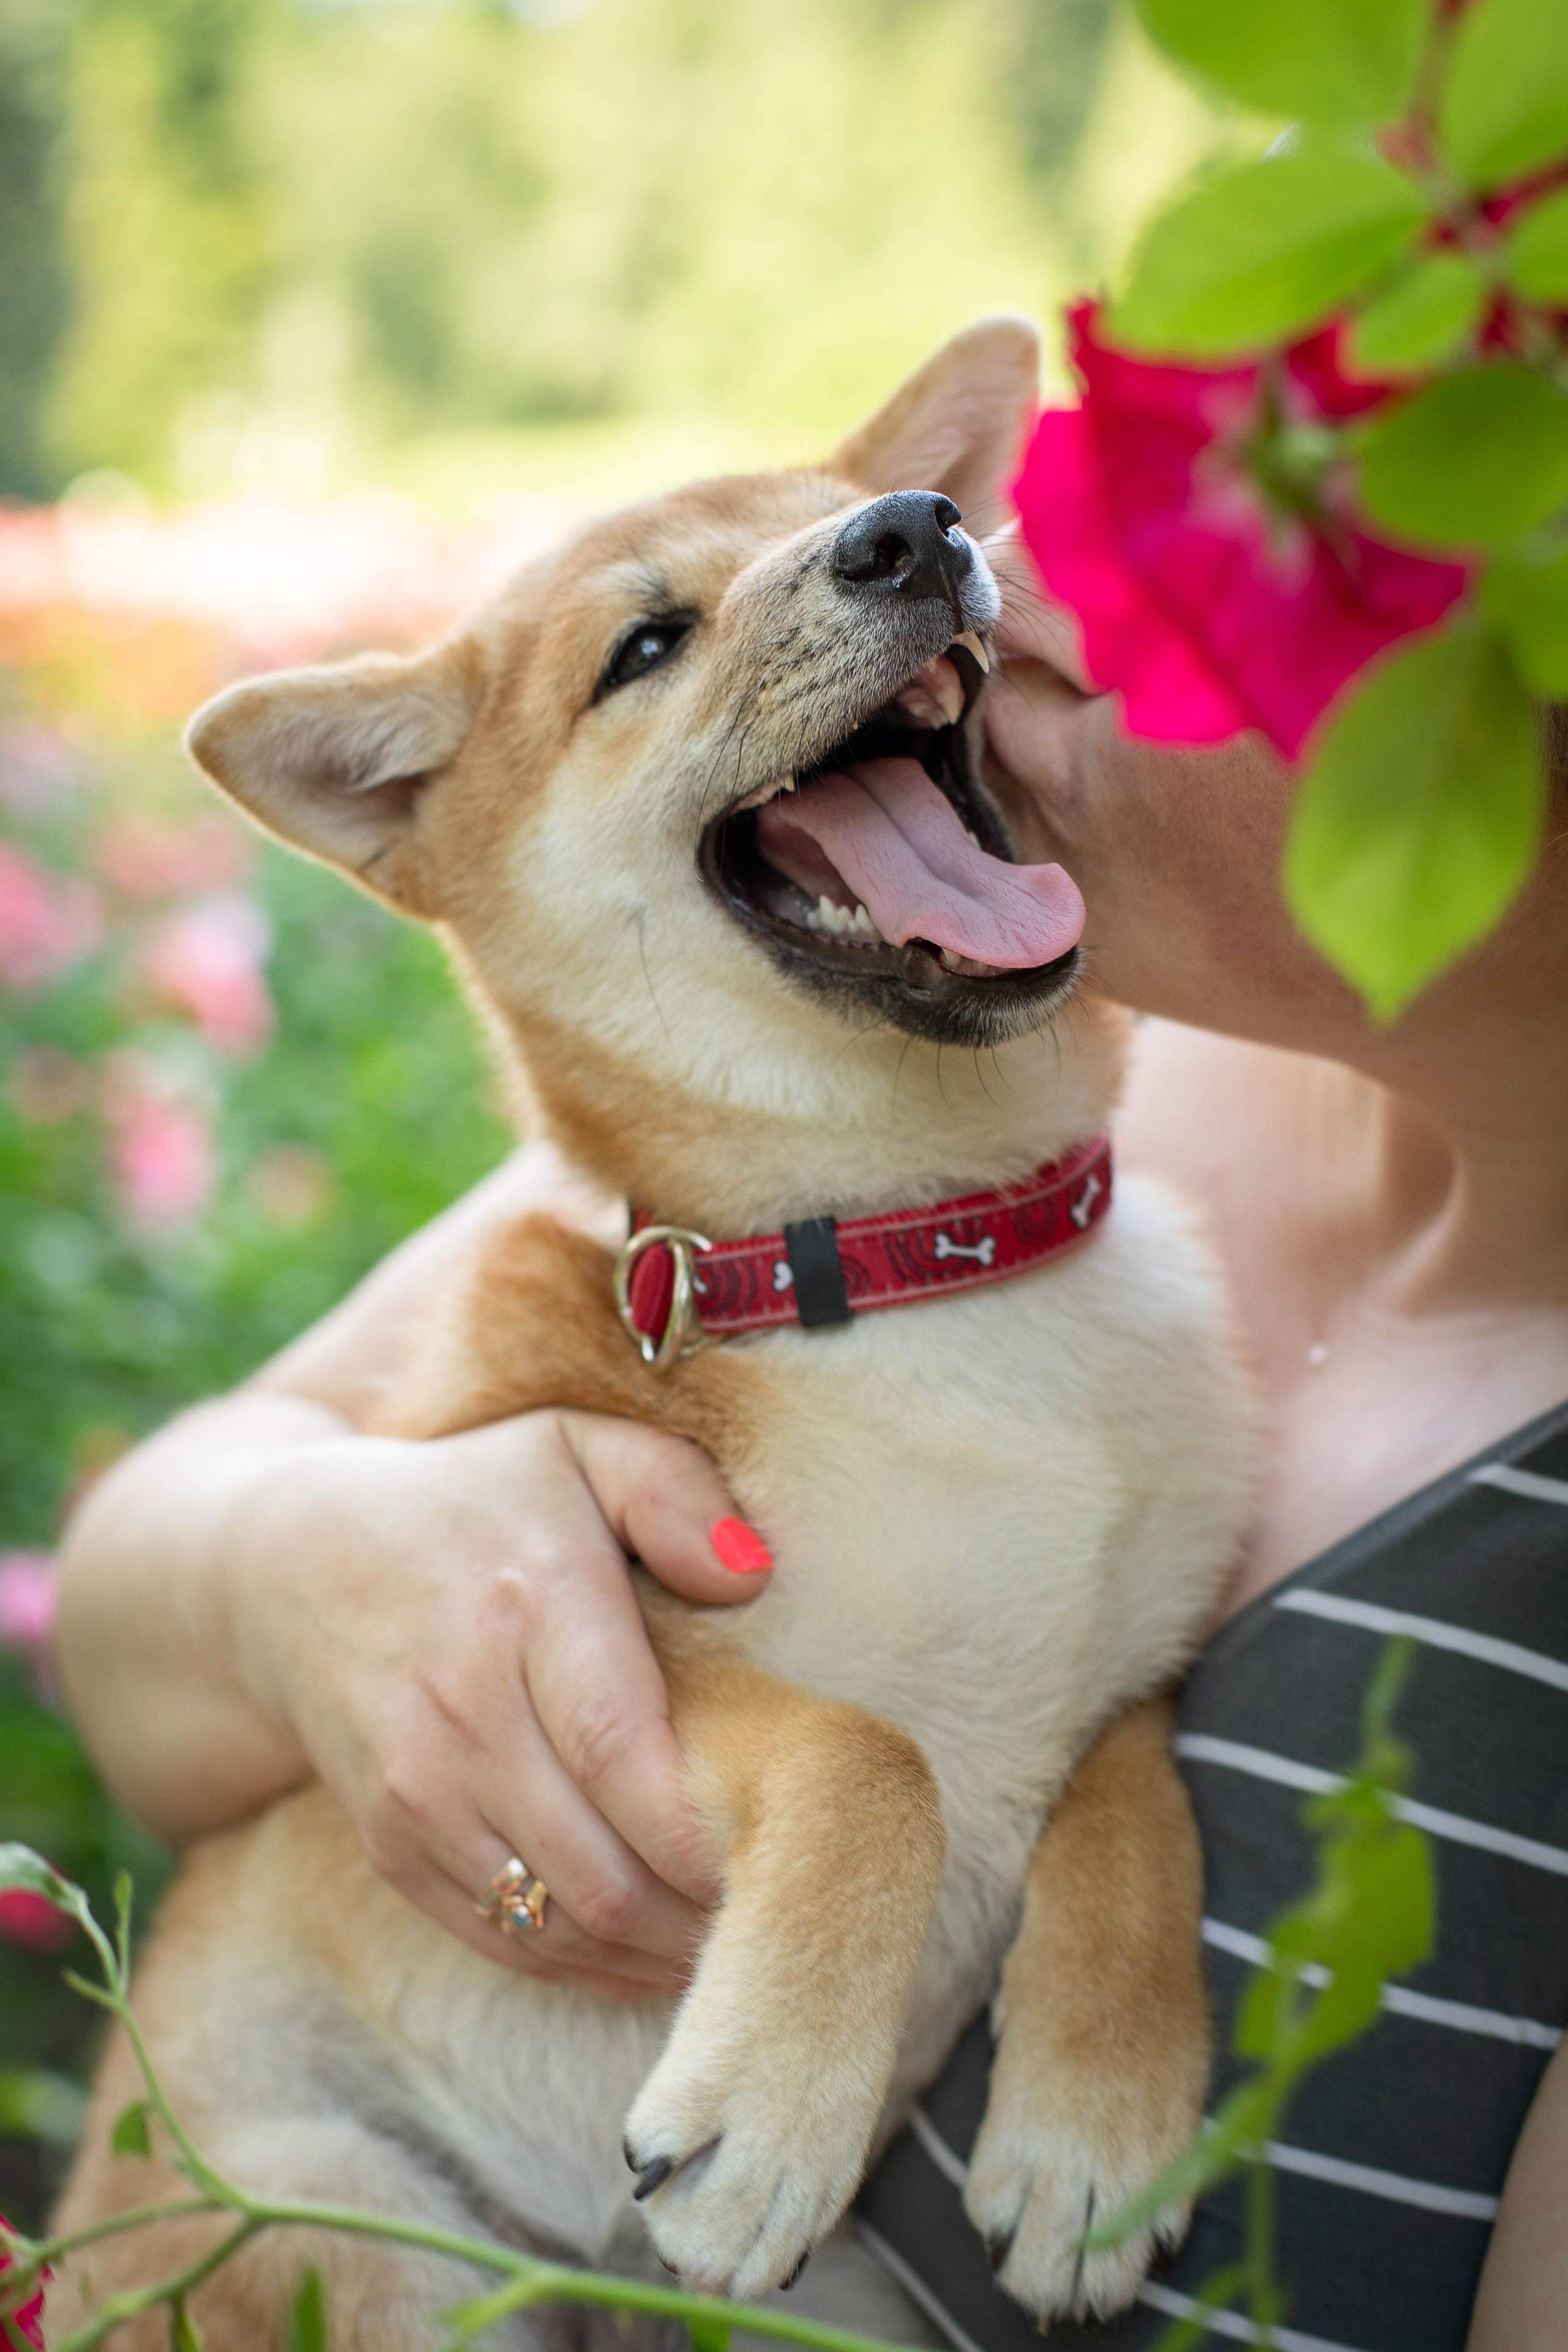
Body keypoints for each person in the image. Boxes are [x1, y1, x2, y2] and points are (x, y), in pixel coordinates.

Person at [54, 568, 1568, 2351]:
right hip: (356, 2135)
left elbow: (1050, 1699)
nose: (1027, 604)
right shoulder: (811, 1086)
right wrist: (310, 1567)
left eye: (1233, 580)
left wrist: (1101, 1859)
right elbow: (130, 1619)